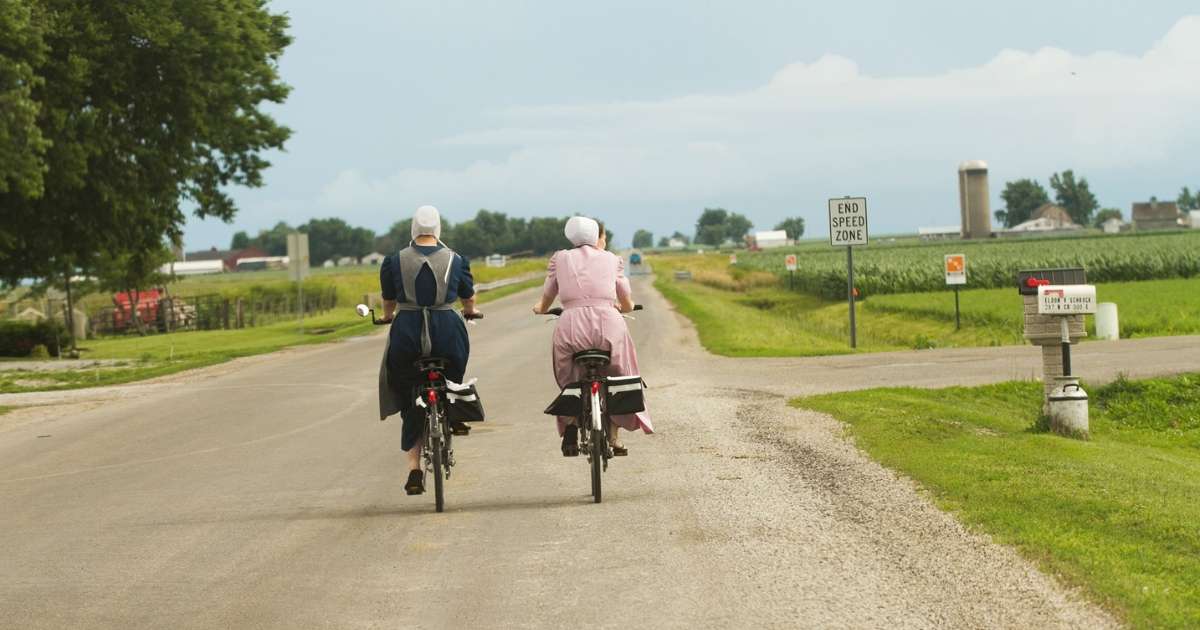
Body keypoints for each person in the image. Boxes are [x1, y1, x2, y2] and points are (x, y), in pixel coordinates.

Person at [378, 205, 480, 496]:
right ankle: (453, 406)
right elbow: (468, 296)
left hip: (408, 329)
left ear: (413, 229)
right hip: (446, 327)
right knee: (456, 364)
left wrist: (388, 316)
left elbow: (388, 300)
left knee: (408, 391)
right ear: (438, 230)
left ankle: (413, 468)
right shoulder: (456, 259)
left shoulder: (394, 261)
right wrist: (471, 310)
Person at [532, 216, 653, 456]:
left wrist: (541, 308)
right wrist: (623, 306)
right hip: (609, 325)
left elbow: (547, 295)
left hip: (571, 326)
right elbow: (626, 298)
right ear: (596, 235)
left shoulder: (560, 258)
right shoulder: (612, 259)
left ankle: (570, 424)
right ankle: (615, 435)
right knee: (622, 373)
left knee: (566, 373)